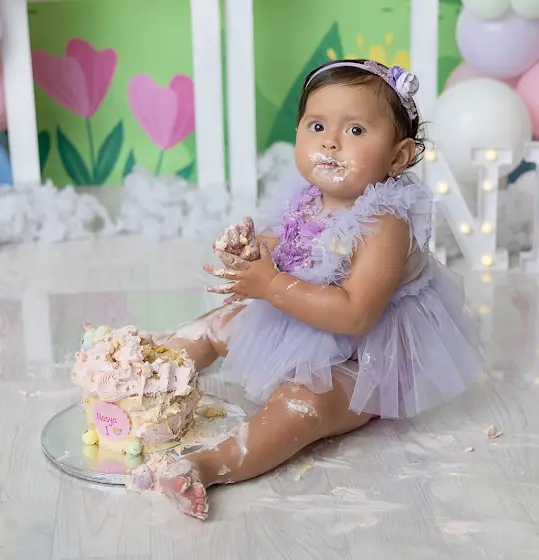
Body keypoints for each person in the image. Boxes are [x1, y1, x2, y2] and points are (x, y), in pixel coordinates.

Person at [128, 59, 484, 520]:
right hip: (304, 320)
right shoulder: (309, 194)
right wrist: (257, 252)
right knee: (219, 323)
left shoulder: (385, 223)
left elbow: (355, 314)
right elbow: (292, 240)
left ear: (398, 157)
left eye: (355, 130)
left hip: (365, 360)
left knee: (303, 403)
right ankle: (143, 374)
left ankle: (206, 466)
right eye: (317, 126)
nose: (330, 142)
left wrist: (272, 285)